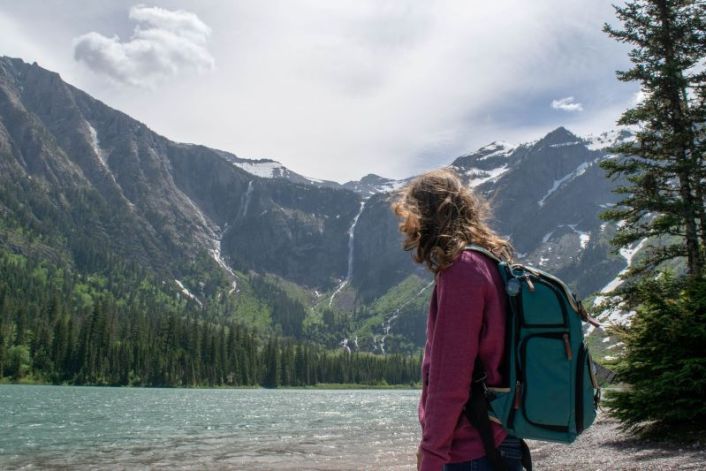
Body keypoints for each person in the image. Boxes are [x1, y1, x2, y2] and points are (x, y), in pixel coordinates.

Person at [392, 169, 526, 471]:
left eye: (408, 218)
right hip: (502, 436)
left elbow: (449, 378)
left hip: (472, 449)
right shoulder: (492, 262)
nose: (406, 229)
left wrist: (431, 454)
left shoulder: (461, 270)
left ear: (424, 216)